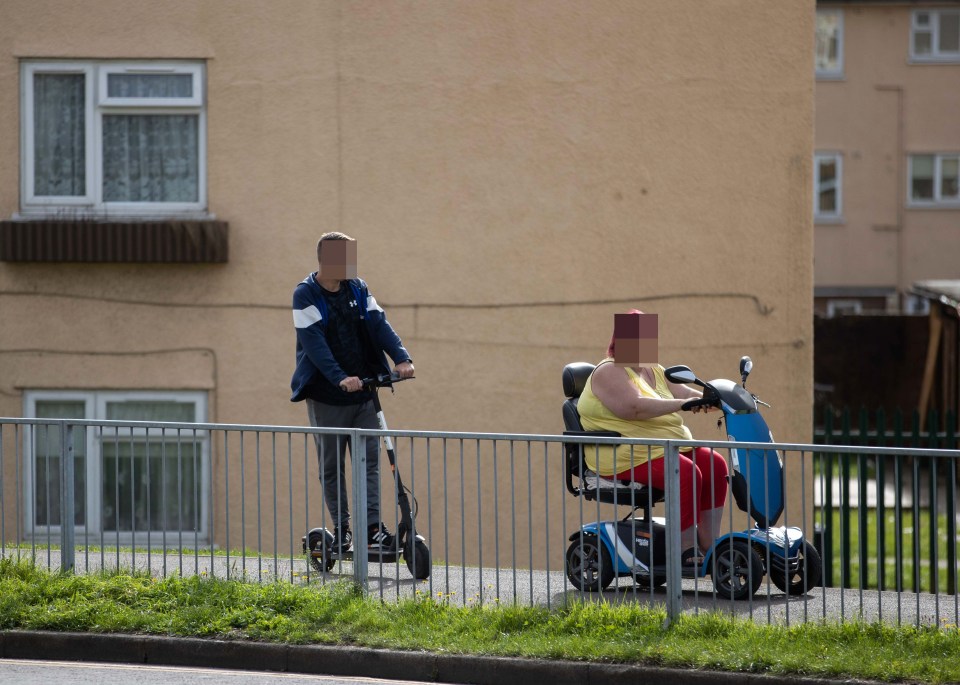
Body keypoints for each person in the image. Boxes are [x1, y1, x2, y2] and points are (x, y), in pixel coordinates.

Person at [290, 232, 414, 554]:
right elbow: (314, 345)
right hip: (327, 395)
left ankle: (372, 529)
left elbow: (378, 324)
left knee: (369, 462)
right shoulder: (306, 294)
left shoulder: (357, 288)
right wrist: (340, 377)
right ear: (324, 259)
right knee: (332, 467)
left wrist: (401, 358)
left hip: (364, 395)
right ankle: (343, 529)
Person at [576, 310, 728, 560]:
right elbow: (633, 407)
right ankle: (685, 549)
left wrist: (718, 399)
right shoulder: (609, 370)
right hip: (625, 453)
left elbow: (685, 394)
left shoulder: (654, 369)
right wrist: (682, 405)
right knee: (686, 472)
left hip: (660, 447)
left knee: (715, 464)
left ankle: (711, 545)